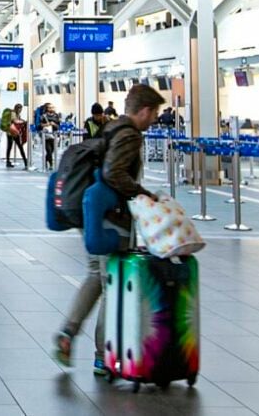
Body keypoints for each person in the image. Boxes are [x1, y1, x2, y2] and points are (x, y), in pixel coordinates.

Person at [53, 84, 165, 375]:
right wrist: (142, 193)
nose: (155, 119)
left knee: (96, 275)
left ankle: (68, 332)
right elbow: (113, 172)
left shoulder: (110, 128)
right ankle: (103, 355)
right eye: (154, 113)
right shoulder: (129, 135)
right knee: (110, 283)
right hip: (109, 218)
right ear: (144, 110)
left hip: (90, 213)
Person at [40, 103, 60, 170]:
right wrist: (47, 124)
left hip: (55, 135)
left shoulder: (56, 116)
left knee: (52, 151)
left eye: (52, 107)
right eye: (50, 107)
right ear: (47, 108)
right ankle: (51, 164)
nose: (52, 109)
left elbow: (58, 126)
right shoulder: (43, 116)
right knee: (48, 150)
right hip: (46, 136)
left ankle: (46, 160)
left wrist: (54, 124)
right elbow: (40, 125)